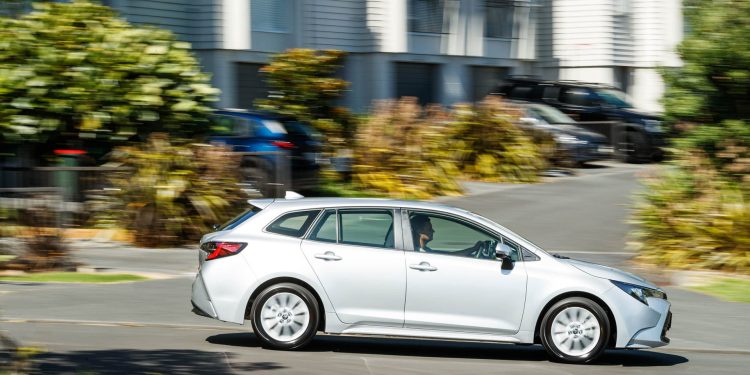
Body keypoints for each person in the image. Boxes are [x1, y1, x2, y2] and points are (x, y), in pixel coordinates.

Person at [410, 214, 488, 256]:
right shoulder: (420, 254)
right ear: (419, 231)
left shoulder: (426, 250)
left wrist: (473, 248)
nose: (433, 231)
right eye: (429, 228)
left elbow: (451, 255)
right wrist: (473, 249)